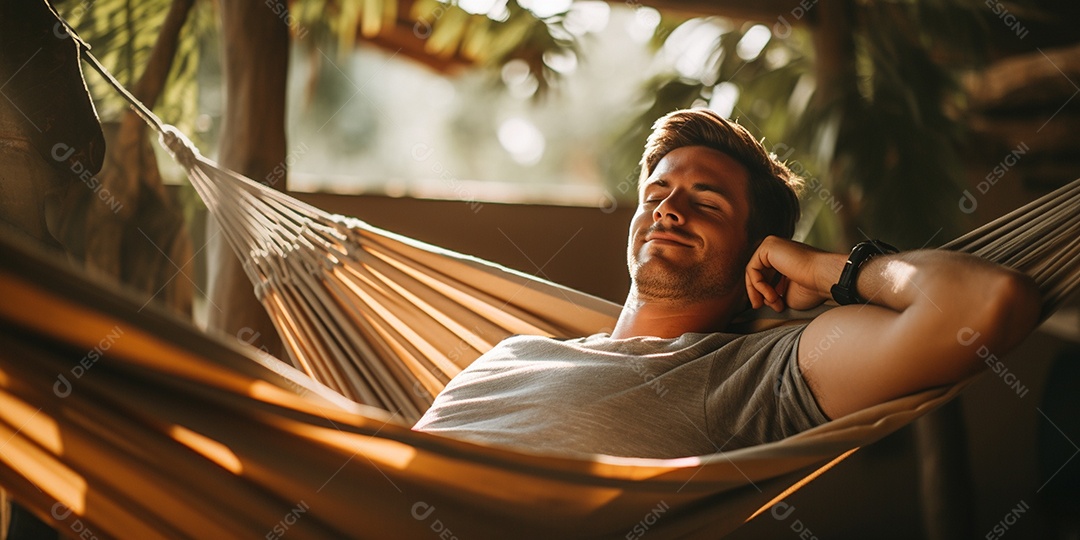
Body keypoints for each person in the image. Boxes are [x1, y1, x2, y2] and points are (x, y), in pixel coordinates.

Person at [412, 108, 1041, 459]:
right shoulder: (514, 352)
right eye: (656, 194)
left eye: (706, 203)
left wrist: (830, 269)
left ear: (759, 252)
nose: (667, 209)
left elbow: (987, 303)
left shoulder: (756, 374)